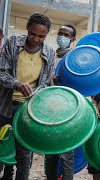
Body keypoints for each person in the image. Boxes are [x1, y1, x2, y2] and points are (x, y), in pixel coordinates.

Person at [0, 13, 55, 180]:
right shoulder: (12, 44)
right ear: (27, 29)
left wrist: (35, 92)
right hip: (6, 106)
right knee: (2, 149)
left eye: (41, 36)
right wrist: (17, 83)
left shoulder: (49, 53)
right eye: (33, 34)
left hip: (28, 111)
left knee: (24, 155)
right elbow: (1, 72)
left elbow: (45, 83)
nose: (36, 39)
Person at [45, 24, 77, 180]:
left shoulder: (75, 59)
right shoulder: (50, 55)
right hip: (50, 109)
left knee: (66, 155)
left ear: (72, 39)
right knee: (50, 153)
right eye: (60, 33)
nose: (62, 37)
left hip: (68, 111)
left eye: (66, 35)